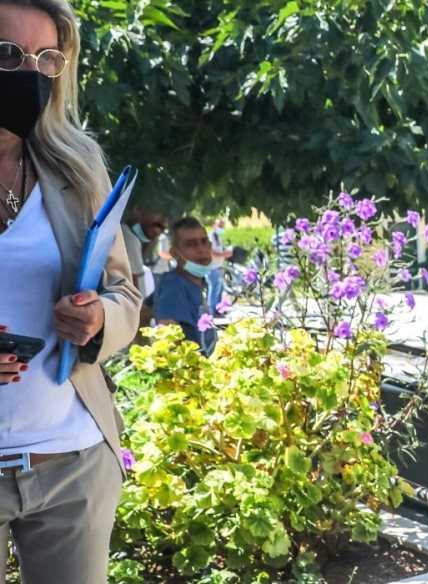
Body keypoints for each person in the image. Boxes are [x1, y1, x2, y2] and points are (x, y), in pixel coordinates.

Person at [0, 1, 144, 582]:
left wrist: (98, 319)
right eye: (7, 54)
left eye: (46, 59)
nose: (29, 73)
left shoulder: (78, 166)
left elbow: (124, 292)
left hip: (72, 461)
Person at [154, 218, 217, 354]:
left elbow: (144, 309)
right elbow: (168, 334)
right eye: (191, 244)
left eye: (204, 241)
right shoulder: (174, 287)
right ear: (175, 253)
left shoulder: (201, 282)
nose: (201, 249)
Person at [122, 207, 165, 329]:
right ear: (137, 211)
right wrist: (139, 313)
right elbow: (134, 279)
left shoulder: (127, 235)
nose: (158, 230)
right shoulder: (129, 238)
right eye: (156, 224)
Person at [206, 217, 232, 314]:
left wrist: (226, 253)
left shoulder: (218, 237)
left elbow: (219, 250)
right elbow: (211, 252)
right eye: (219, 225)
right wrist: (224, 254)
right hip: (211, 267)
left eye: (222, 226)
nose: (221, 228)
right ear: (214, 225)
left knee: (219, 289)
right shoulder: (210, 237)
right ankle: (211, 311)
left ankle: (217, 310)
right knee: (214, 289)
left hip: (218, 267)